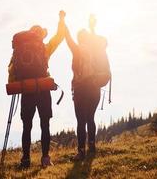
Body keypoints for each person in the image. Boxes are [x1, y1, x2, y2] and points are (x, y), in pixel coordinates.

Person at [9, 11, 66, 168]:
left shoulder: (19, 49)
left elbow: (12, 70)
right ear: (41, 36)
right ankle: (45, 159)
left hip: (26, 91)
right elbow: (60, 36)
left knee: (27, 126)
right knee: (45, 124)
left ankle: (25, 160)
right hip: (42, 90)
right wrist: (61, 19)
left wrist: (16, 84)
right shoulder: (45, 48)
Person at [64, 15, 110, 160]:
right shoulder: (95, 50)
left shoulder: (77, 49)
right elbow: (95, 39)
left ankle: (81, 151)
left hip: (81, 89)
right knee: (90, 118)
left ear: (79, 39)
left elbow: (68, 39)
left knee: (81, 121)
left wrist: (63, 23)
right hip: (95, 87)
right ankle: (92, 147)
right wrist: (92, 27)